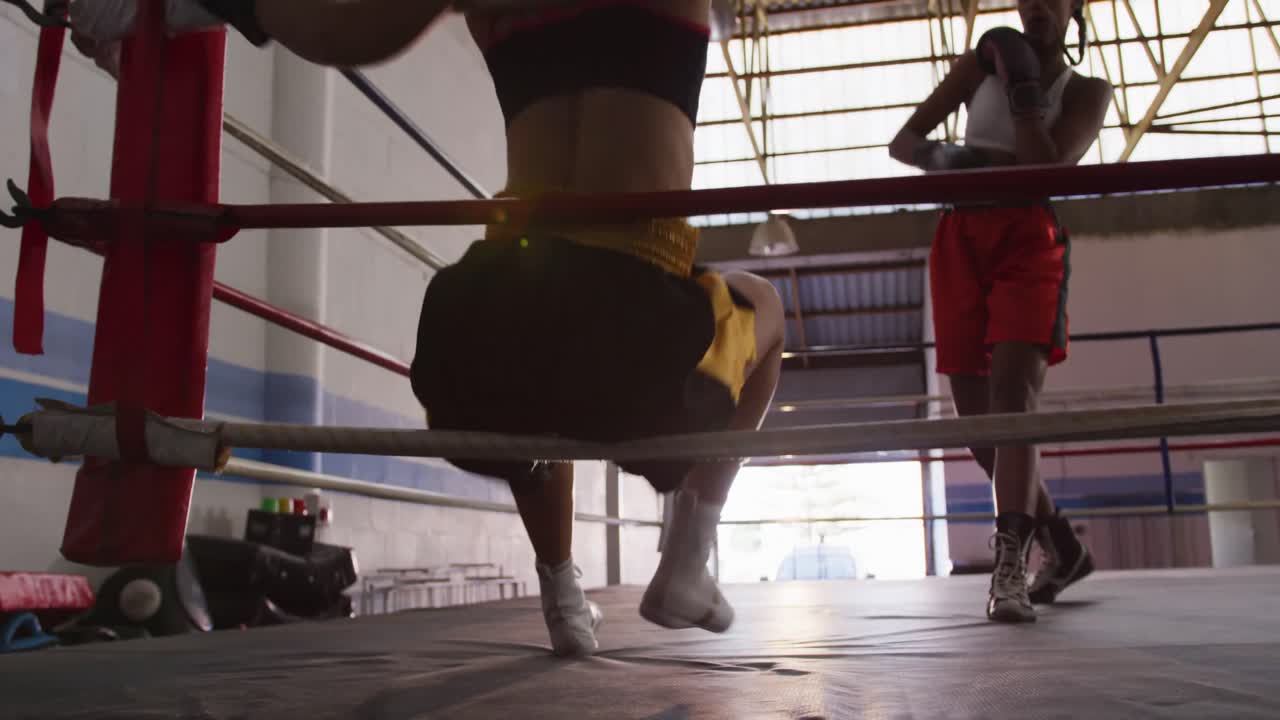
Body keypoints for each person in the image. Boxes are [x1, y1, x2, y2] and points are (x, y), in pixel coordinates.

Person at [68, 0, 786, 655]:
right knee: (766, 310)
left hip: (481, 327)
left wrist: (164, 11)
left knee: (541, 377)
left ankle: (563, 598)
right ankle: (688, 561)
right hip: (635, 336)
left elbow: (338, 28)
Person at [889, 0, 1112, 622]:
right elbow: (904, 143)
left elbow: (1048, 168)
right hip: (960, 234)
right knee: (977, 425)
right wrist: (960, 163)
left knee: (1013, 400)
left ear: (1073, 9)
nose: (1038, 7)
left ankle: (1011, 565)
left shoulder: (1089, 90)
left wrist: (1025, 91)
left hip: (1028, 239)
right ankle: (1063, 544)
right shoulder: (976, 65)